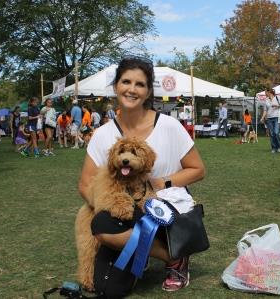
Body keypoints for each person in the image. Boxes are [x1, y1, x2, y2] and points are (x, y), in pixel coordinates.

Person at [78, 56, 205, 295]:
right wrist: (107, 204)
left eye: (140, 84)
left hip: (162, 212)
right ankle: (143, 252)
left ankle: (174, 257)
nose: (132, 89)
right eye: (126, 81)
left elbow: (198, 169)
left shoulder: (170, 126)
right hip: (119, 217)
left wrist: (162, 182)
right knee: (109, 288)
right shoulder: (102, 134)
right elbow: (85, 184)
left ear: (148, 92)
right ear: (116, 86)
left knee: (106, 227)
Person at [260, 89, 280, 153]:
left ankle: (279, 147)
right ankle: (273, 148)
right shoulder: (266, 100)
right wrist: (262, 118)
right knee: (272, 134)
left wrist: (277, 105)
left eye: (266, 92)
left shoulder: (277, 98)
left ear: (270, 92)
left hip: (277, 118)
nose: (265, 94)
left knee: (276, 132)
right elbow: (265, 110)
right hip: (269, 119)